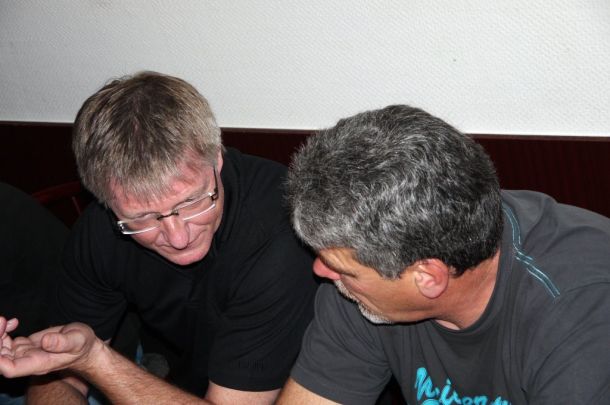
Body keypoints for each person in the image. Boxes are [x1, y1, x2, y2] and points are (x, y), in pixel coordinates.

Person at [0, 71, 317, 404]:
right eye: (143, 218)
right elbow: (58, 376)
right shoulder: (103, 228)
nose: (178, 238)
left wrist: (94, 359)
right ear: (106, 201)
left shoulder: (281, 231)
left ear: (217, 158)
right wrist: (72, 362)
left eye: (192, 201)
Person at [274, 105, 610, 403]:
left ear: (428, 277)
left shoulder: (582, 310)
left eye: (343, 270)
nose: (320, 270)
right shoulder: (360, 283)